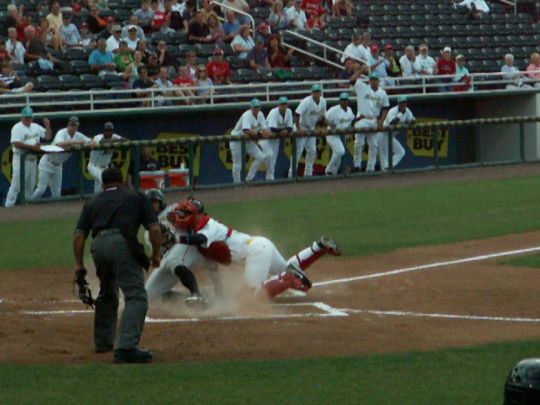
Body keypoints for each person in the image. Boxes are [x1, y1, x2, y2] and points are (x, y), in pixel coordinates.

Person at [168, 198, 341, 298]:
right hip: (259, 245)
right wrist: (219, 293)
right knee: (286, 266)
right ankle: (317, 248)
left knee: (251, 297)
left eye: (185, 213)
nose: (181, 217)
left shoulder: (208, 227)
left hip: (256, 251)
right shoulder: (201, 229)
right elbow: (212, 264)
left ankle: (286, 278)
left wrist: (175, 239)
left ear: (197, 215)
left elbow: (199, 238)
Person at [73, 167, 161, 363]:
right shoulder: (136, 196)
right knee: (136, 295)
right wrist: (155, 255)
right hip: (123, 243)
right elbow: (154, 229)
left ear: (103, 185)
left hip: (99, 246)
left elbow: (79, 236)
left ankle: (103, 342)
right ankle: (127, 347)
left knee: (107, 291)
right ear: (122, 182)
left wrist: (79, 265)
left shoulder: (92, 202)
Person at [144, 194, 218, 306]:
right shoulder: (148, 232)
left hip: (187, 245)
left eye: (154, 202)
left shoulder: (173, 208)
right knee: (147, 296)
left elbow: (195, 209)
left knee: (175, 260)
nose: (152, 206)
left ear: (161, 201)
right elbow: (159, 254)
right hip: (169, 254)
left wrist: (190, 205)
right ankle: (202, 302)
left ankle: (197, 294)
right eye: (149, 204)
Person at [32, 116, 93, 200]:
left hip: (58, 166)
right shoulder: (62, 132)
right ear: (68, 125)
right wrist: (75, 142)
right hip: (47, 163)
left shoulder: (78, 135)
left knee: (57, 193)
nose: (73, 127)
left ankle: (55, 212)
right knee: (41, 189)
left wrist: (90, 143)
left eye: (75, 125)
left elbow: (90, 141)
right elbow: (59, 144)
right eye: (72, 125)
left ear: (77, 126)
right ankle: (29, 203)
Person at [4, 107, 52, 208]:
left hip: (33, 160)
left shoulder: (35, 126)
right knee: (16, 185)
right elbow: (16, 143)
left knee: (30, 186)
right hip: (21, 159)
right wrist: (31, 147)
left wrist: (47, 126)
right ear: (22, 117)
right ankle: (8, 207)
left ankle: (27, 209)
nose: (28, 119)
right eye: (26, 117)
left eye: (29, 117)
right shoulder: (17, 127)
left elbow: (47, 136)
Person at [351, 71, 389, 172]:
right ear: (369, 80)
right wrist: (360, 70)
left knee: (373, 144)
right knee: (359, 143)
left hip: (373, 120)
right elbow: (352, 80)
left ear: (378, 81)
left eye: (375, 80)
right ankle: (356, 165)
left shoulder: (382, 93)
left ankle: (370, 167)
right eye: (372, 79)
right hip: (362, 119)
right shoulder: (363, 87)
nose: (374, 81)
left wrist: (381, 121)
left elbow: (385, 108)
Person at [230, 98, 272, 183]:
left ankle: (249, 179)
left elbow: (265, 130)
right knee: (237, 165)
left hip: (247, 140)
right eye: (254, 107)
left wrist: (263, 132)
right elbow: (246, 130)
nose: (256, 109)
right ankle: (237, 185)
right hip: (236, 139)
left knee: (261, 156)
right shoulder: (247, 115)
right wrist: (259, 133)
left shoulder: (260, 114)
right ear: (251, 108)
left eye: (258, 107)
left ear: (260, 107)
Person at [290, 84, 327, 177]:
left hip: (311, 128)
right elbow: (297, 114)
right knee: (297, 152)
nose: (317, 93)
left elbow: (322, 117)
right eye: (315, 92)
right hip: (301, 126)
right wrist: (298, 129)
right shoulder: (306, 102)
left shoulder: (323, 101)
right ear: (312, 93)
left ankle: (308, 173)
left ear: (320, 93)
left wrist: (322, 127)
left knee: (312, 151)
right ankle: (292, 174)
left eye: (318, 92)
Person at [88, 122, 125, 193]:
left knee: (98, 187)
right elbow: (103, 142)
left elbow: (126, 141)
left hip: (105, 167)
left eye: (111, 130)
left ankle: (97, 199)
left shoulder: (114, 136)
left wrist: (115, 140)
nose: (109, 132)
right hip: (93, 166)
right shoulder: (98, 137)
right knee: (103, 178)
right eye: (107, 130)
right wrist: (116, 141)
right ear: (104, 131)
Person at [379, 95, 414, 171]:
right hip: (383, 134)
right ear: (398, 103)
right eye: (402, 102)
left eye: (405, 102)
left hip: (390, 135)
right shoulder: (392, 111)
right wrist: (401, 114)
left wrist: (410, 122)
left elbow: (413, 120)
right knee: (384, 157)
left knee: (401, 152)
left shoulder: (407, 110)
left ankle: (388, 167)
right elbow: (392, 123)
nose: (403, 104)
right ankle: (384, 175)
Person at [324, 92, 354, 176]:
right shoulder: (334, 110)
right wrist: (331, 125)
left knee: (338, 154)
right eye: (342, 100)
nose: (344, 102)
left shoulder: (350, 110)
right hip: (332, 134)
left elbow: (350, 122)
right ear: (339, 101)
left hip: (342, 135)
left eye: (345, 100)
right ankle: (329, 169)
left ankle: (333, 173)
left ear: (348, 101)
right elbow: (324, 119)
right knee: (340, 151)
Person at [264, 96, 294, 180]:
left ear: (287, 105)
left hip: (275, 137)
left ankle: (270, 179)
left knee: (273, 158)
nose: (283, 106)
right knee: (269, 156)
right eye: (282, 104)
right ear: (279, 105)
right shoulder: (274, 112)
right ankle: (268, 178)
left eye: (285, 104)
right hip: (266, 137)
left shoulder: (289, 112)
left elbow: (290, 127)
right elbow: (272, 128)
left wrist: (285, 131)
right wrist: (283, 131)